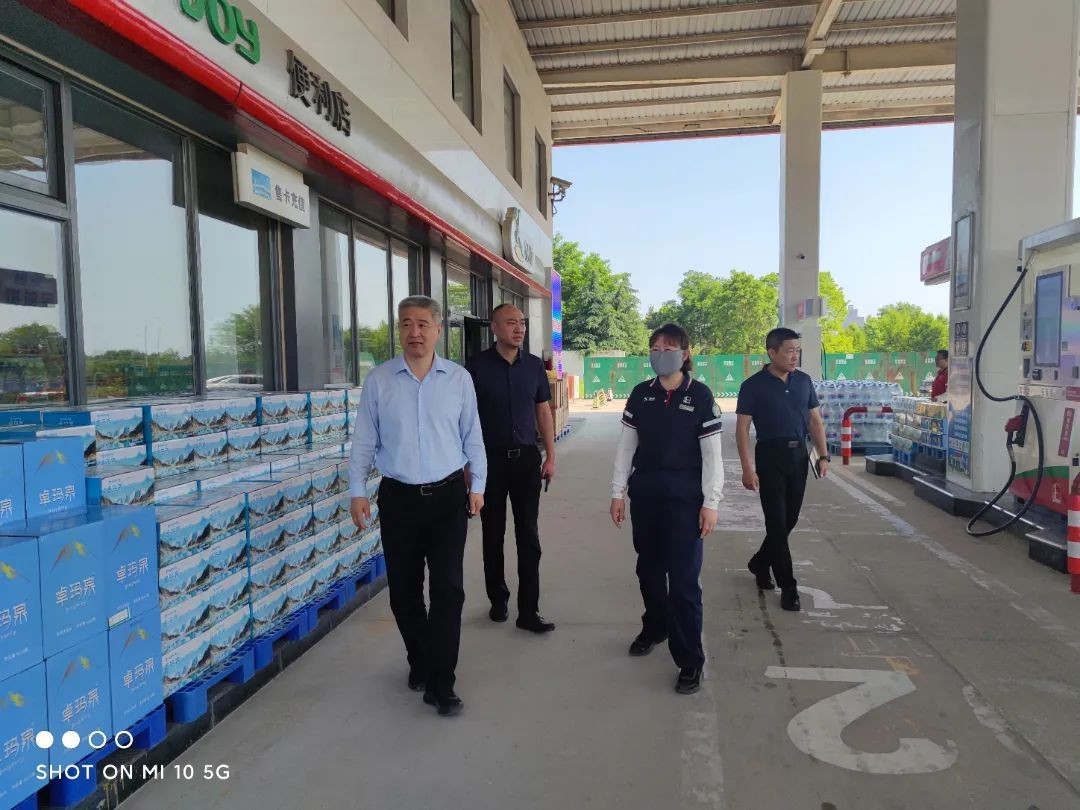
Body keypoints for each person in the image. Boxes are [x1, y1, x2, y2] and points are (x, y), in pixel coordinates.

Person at [349, 295, 486, 717]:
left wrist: (478, 484)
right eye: (406, 323)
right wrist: (357, 490)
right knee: (404, 593)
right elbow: (364, 440)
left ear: (438, 330)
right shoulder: (380, 381)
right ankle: (420, 659)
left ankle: (442, 683)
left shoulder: (458, 379)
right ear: (399, 329)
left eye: (423, 324)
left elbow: (472, 435)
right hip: (399, 499)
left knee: (449, 590)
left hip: (448, 498)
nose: (415, 332)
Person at [609, 324, 724, 695]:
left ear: (685, 354)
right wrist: (617, 492)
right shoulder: (641, 394)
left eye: (669, 348)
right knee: (648, 571)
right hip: (646, 496)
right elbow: (627, 447)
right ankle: (655, 627)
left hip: (685, 502)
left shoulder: (700, 396)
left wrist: (711, 503)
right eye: (655, 348)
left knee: (685, 583)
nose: (661, 354)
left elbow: (712, 457)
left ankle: (690, 659)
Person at [466, 303, 557, 634]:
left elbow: (543, 412)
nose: (519, 329)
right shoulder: (476, 368)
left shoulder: (533, 367)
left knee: (528, 536)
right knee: (493, 535)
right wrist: (469, 466)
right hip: (489, 462)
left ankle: (529, 610)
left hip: (527, 461)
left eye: (522, 323)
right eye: (510, 323)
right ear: (494, 327)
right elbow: (465, 419)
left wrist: (551, 456)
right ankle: (498, 599)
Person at [735, 327, 829, 613]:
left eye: (797, 351)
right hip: (769, 456)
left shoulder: (803, 381)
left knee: (789, 519)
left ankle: (760, 562)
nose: (794, 356)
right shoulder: (753, 386)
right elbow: (742, 429)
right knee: (776, 522)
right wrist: (747, 468)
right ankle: (788, 586)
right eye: (789, 351)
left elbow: (814, 421)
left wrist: (823, 455)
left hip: (799, 455)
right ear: (772, 352)